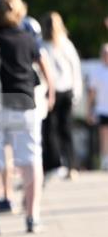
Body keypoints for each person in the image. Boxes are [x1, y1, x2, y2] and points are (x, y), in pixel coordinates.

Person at [0, 0, 55, 236]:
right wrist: (50, 93)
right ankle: (32, 216)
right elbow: (43, 65)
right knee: (30, 160)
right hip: (23, 103)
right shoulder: (27, 38)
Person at [40, 12, 83, 178]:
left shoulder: (65, 44)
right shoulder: (42, 44)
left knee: (65, 128)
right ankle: (54, 164)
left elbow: (75, 68)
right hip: (50, 91)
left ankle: (71, 165)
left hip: (66, 90)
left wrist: (76, 90)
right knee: (49, 129)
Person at [87, 43, 108, 170]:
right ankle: (105, 160)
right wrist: (89, 110)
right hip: (102, 109)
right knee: (104, 135)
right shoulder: (97, 71)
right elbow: (92, 93)